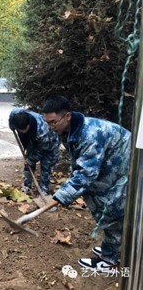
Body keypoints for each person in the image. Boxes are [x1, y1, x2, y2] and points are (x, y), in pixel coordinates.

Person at [41, 95, 131, 272]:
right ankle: (115, 246)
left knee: (111, 206)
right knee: (95, 196)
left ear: (67, 116)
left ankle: (110, 260)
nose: (51, 127)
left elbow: (85, 174)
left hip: (126, 163)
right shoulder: (71, 128)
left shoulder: (90, 135)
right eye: (47, 123)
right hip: (111, 160)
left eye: (53, 122)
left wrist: (59, 196)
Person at [9, 108, 60, 195]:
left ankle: (44, 190)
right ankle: (27, 186)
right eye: (20, 130)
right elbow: (11, 117)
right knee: (28, 165)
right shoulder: (15, 114)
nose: (23, 132)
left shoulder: (43, 130)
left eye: (25, 129)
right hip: (32, 140)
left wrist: (31, 160)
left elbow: (42, 150)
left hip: (50, 144)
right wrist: (11, 126)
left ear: (28, 124)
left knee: (46, 168)